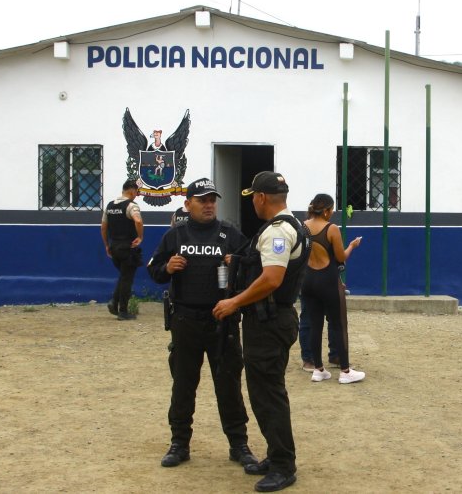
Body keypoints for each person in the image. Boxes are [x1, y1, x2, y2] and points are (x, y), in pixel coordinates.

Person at [146, 178, 259, 470]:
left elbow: (253, 269)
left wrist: (237, 263)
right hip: (186, 321)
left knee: (229, 385)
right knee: (183, 384)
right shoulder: (175, 236)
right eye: (202, 200)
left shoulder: (230, 233)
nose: (209, 205)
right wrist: (167, 267)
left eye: (212, 200)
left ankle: (239, 445)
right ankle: (179, 444)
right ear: (188, 204)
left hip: (222, 323)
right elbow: (154, 270)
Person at [213, 171, 309, 493]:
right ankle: (276, 454)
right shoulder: (291, 226)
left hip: (268, 323)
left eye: (253, 195)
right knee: (265, 393)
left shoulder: (278, 231)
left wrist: (234, 303)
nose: (252, 200)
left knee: (268, 395)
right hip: (271, 320)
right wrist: (239, 261)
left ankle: (283, 465)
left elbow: (272, 279)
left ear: (262, 198)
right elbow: (264, 267)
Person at [300, 194, 365, 384]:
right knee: (337, 324)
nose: (333, 213)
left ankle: (318, 369)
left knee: (314, 325)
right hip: (327, 280)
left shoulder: (303, 226)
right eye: (332, 209)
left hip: (308, 280)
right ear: (327, 210)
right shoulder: (332, 229)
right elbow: (340, 257)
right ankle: (345, 370)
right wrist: (352, 245)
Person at [102, 178, 144, 320]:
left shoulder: (109, 206)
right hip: (128, 248)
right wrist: (140, 237)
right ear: (132, 191)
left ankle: (114, 303)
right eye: (136, 192)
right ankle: (123, 311)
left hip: (114, 247)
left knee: (123, 276)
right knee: (127, 279)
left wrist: (107, 244)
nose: (136, 195)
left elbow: (103, 227)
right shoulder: (131, 206)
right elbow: (138, 220)